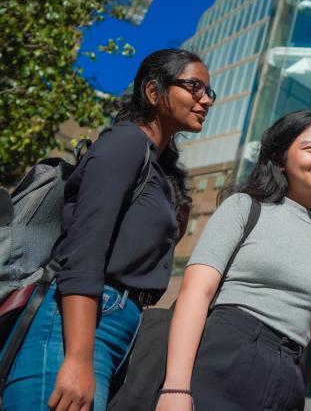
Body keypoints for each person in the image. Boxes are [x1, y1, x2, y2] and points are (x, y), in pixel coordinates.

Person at [2, 49, 214, 410]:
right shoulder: (125, 143)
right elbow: (85, 250)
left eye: (210, 92)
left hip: (114, 326)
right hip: (76, 327)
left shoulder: (157, 168)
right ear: (153, 92)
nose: (206, 99)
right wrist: (78, 358)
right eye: (195, 87)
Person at [157, 110, 311, 411]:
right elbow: (196, 293)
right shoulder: (243, 208)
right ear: (280, 159)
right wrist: (175, 387)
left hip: (288, 379)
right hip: (222, 357)